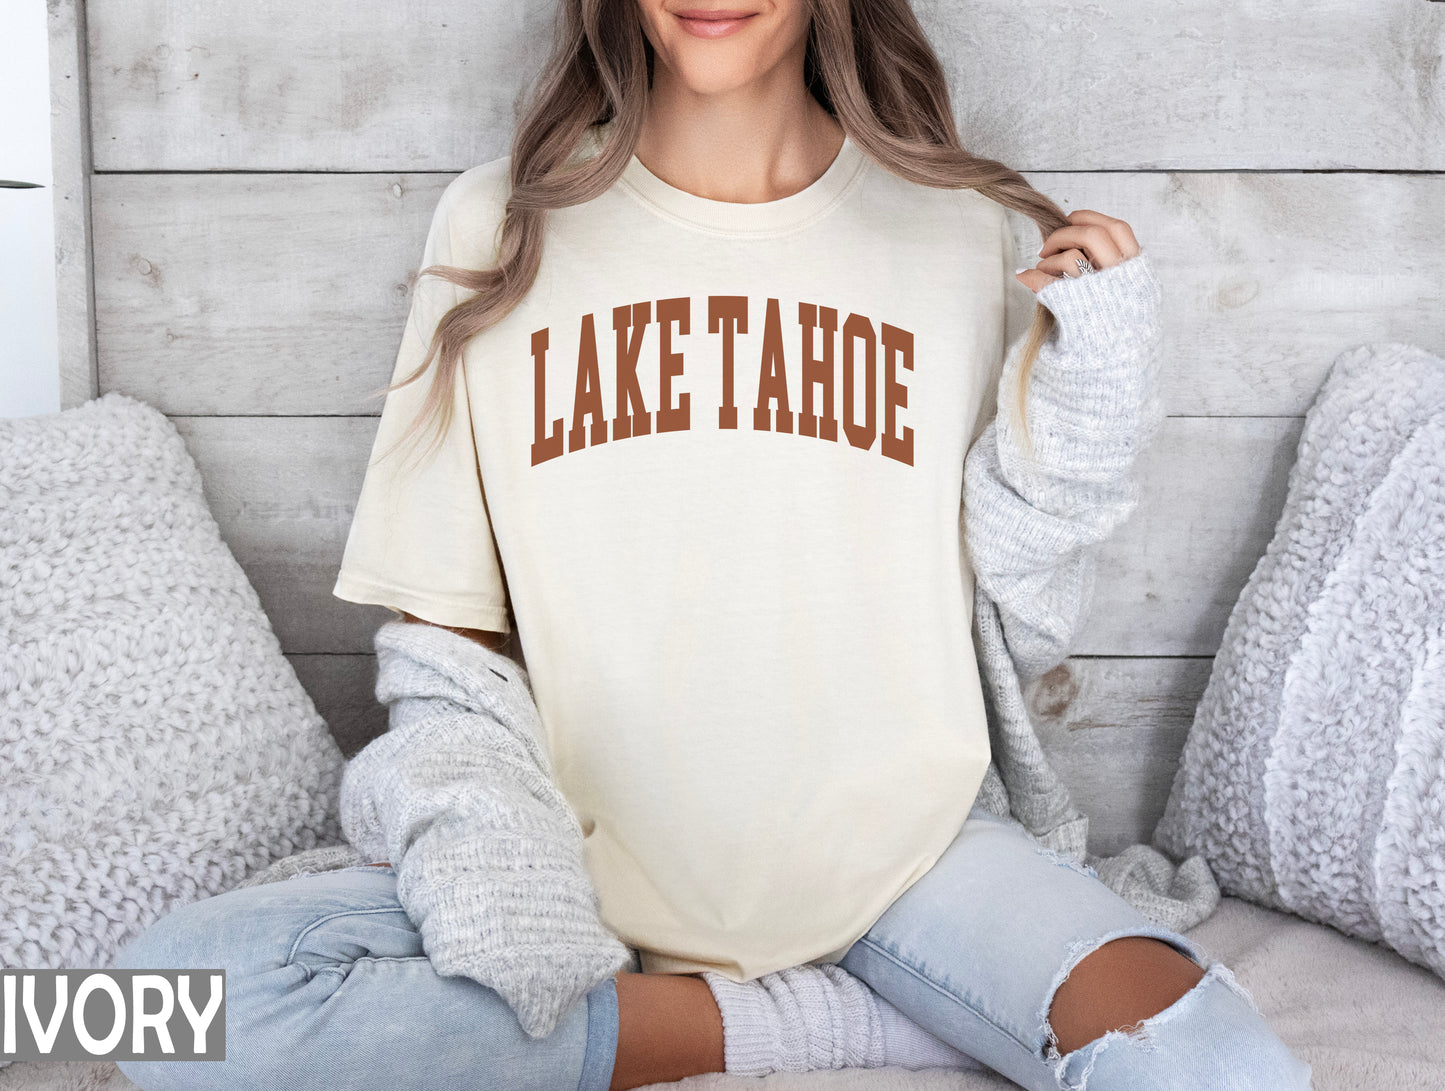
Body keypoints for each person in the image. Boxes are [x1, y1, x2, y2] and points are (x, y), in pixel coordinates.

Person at [113, 1, 1315, 1089]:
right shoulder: (500, 224)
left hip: (909, 863)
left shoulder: (967, 230)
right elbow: (444, 632)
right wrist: (493, 872)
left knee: (1221, 1066)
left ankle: (818, 997)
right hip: (578, 867)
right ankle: (824, 1019)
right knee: (133, 1014)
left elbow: (1020, 587)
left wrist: (1094, 406)